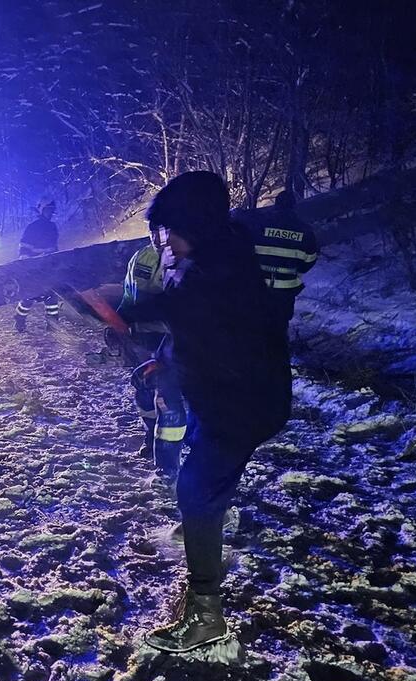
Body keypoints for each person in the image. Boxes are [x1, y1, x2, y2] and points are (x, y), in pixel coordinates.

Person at [119, 172, 291, 653]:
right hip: (231, 397)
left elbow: (179, 312)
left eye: (170, 231)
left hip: (241, 405)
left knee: (194, 489)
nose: (164, 242)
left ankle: (206, 615)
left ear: (194, 226)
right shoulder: (217, 256)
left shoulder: (217, 274)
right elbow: (191, 329)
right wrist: (163, 359)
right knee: (203, 473)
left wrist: (109, 310)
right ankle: (211, 520)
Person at [119, 236, 187, 481]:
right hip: (142, 337)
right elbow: (130, 294)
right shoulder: (142, 257)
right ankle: (151, 434)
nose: (159, 237)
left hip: (174, 340)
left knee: (167, 399)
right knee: (142, 388)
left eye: (164, 230)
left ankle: (168, 467)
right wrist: (119, 322)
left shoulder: (187, 260)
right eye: (154, 231)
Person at [238, 190, 318, 329]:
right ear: (294, 206)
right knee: (279, 327)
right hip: (285, 290)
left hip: (258, 286)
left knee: (255, 325)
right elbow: (310, 261)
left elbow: (246, 250)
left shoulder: (260, 224)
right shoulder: (305, 231)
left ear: (276, 204)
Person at [14, 199, 61, 331]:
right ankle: (19, 318)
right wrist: (26, 262)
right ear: (41, 211)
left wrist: (56, 261)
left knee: (51, 295)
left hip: (48, 266)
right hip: (33, 267)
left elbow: (54, 247)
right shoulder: (33, 227)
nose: (50, 213)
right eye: (48, 210)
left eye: (51, 210)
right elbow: (24, 246)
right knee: (29, 296)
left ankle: (52, 324)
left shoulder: (52, 226)